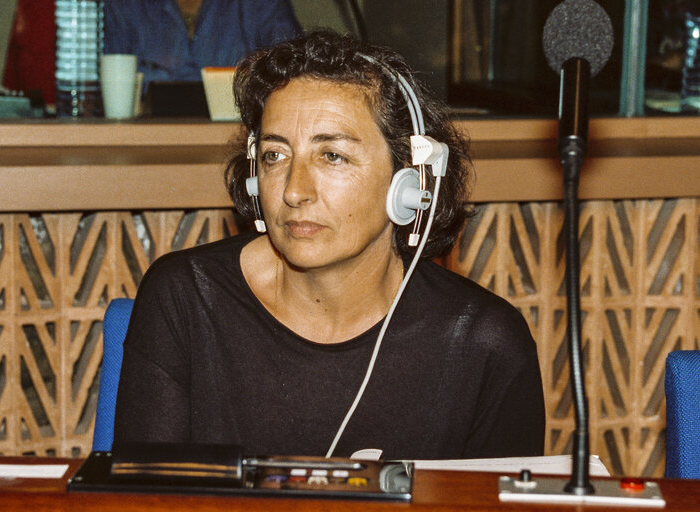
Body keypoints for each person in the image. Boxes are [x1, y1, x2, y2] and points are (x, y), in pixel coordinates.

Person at [113, 30, 546, 460]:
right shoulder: (184, 299)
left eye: (332, 156)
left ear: (410, 183)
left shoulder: (486, 344)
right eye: (275, 156)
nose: (294, 192)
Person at [103, 0, 302, 90]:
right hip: (142, 146)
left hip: (240, 146)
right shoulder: (123, 6)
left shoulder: (261, 6)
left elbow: (295, 76)